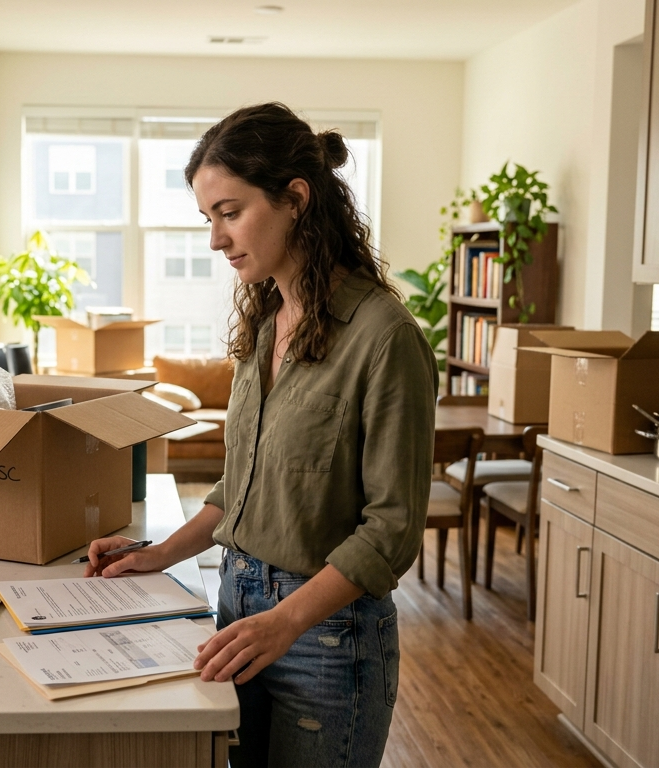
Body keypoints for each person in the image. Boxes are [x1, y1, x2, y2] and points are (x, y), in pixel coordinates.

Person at [82, 102, 436, 768]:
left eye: (230, 211)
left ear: (296, 198)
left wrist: (286, 620)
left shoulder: (386, 338)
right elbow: (237, 489)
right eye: (208, 218)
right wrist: (159, 554)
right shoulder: (267, 325)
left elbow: (389, 532)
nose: (215, 239)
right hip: (238, 604)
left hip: (326, 640)